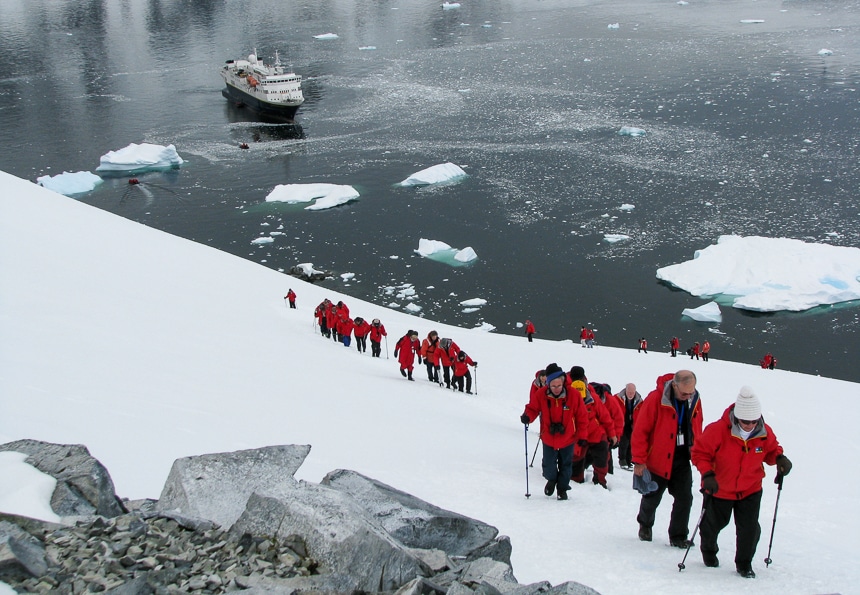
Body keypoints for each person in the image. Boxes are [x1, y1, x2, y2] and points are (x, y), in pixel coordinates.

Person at [691, 386, 792, 578]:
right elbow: (699, 453)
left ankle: (744, 564)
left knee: (749, 529)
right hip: (719, 488)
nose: (749, 425)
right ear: (737, 416)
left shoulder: (763, 431)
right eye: (745, 421)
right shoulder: (717, 430)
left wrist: (779, 459)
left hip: (750, 488)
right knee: (712, 525)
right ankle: (709, 552)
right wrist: (707, 474)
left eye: (753, 421)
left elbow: (771, 450)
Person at [631, 370, 703, 547]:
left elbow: (697, 426)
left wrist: (698, 453)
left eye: (690, 392)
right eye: (684, 393)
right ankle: (645, 525)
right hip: (657, 457)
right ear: (675, 385)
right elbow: (641, 430)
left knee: (685, 498)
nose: (687, 396)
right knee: (651, 496)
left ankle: (678, 536)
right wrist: (639, 460)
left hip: (681, 456)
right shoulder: (656, 399)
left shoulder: (694, 399)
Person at [520, 363, 588, 501]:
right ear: (548, 384)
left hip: (568, 437)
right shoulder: (541, 394)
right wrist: (527, 416)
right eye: (553, 386)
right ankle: (552, 480)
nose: (556, 389)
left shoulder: (573, 395)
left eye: (559, 386)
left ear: (563, 382)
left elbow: (582, 417)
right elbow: (533, 408)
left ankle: (562, 489)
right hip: (548, 436)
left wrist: (582, 436)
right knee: (548, 465)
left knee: (566, 465)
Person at [567, 367, 617, 489]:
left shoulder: (592, 397)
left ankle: (599, 482)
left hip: (595, 433)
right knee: (576, 462)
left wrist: (612, 434)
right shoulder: (566, 395)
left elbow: (605, 417)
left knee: (600, 458)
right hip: (577, 435)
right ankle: (576, 482)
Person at [614, 383, 643, 470]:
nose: (630, 394)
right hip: (622, 423)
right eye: (629, 392)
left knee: (631, 442)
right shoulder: (617, 398)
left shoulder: (639, 401)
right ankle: (622, 460)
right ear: (625, 391)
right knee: (623, 442)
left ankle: (629, 460)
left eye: (632, 392)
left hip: (632, 424)